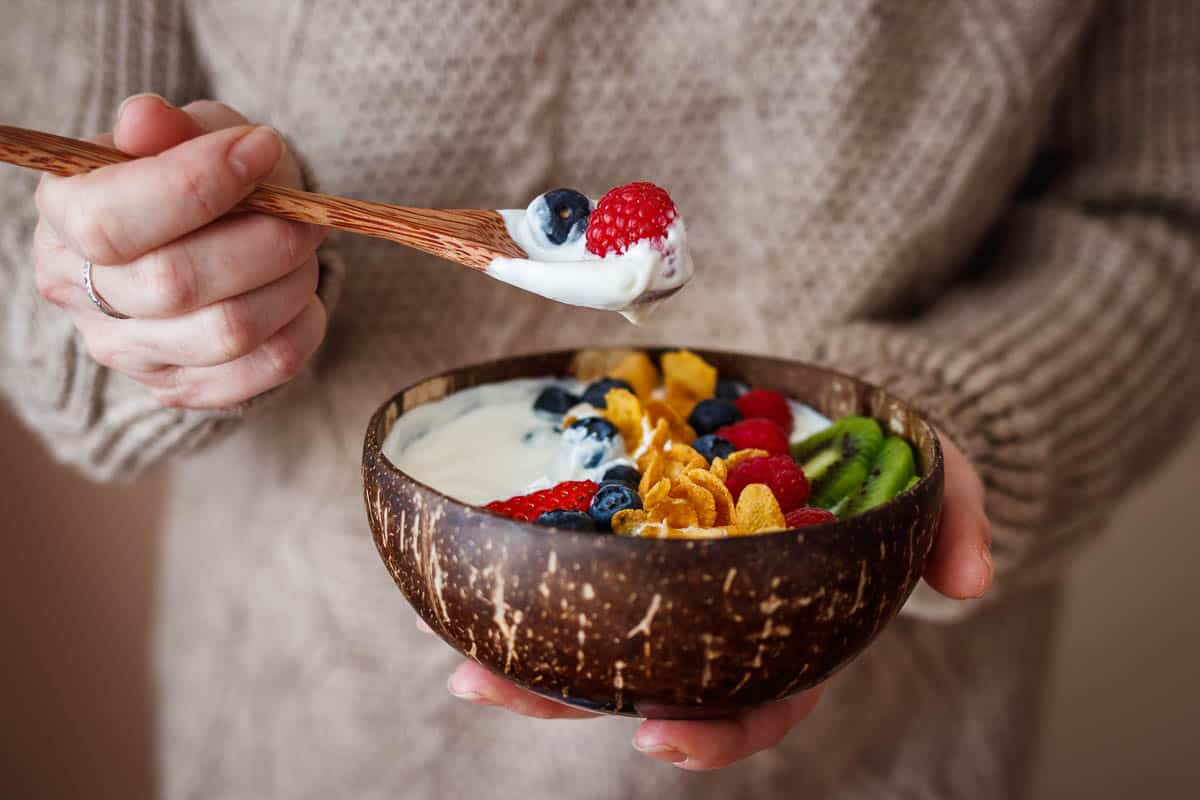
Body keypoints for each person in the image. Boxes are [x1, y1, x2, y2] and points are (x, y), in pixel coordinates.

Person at [1, 1, 1196, 797]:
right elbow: (47, 279)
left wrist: (939, 427)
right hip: (311, 728)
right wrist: (153, 286)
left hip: (882, 733)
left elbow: (1162, 205)